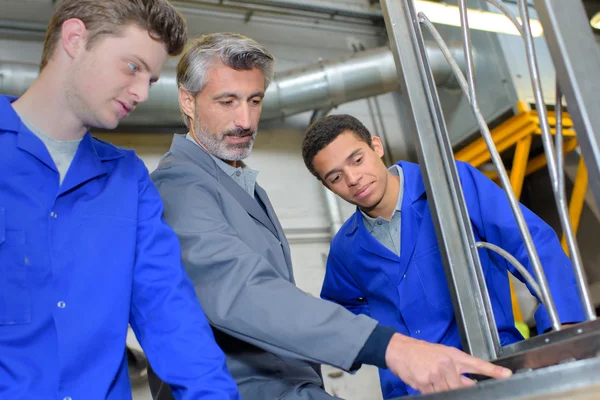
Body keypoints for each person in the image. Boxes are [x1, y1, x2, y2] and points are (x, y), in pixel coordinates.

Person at [149, 32, 512, 400]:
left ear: (376, 147)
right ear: (187, 101)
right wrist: (390, 346)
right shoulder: (180, 185)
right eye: (227, 101)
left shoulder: (241, 185)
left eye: (254, 100)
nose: (245, 120)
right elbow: (241, 289)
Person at [0, 1, 240, 399]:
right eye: (132, 67)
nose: (142, 93)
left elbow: (168, 312)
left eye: (151, 79)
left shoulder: (128, 180)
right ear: (75, 39)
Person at [301, 113, 586, 398]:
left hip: (487, 371)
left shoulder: (450, 186)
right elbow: (341, 312)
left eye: (357, 159)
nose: (353, 179)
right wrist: (384, 338)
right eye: (336, 177)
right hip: (407, 390)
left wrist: (564, 320)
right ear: (327, 186)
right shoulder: (345, 249)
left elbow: (530, 243)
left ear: (376, 146)